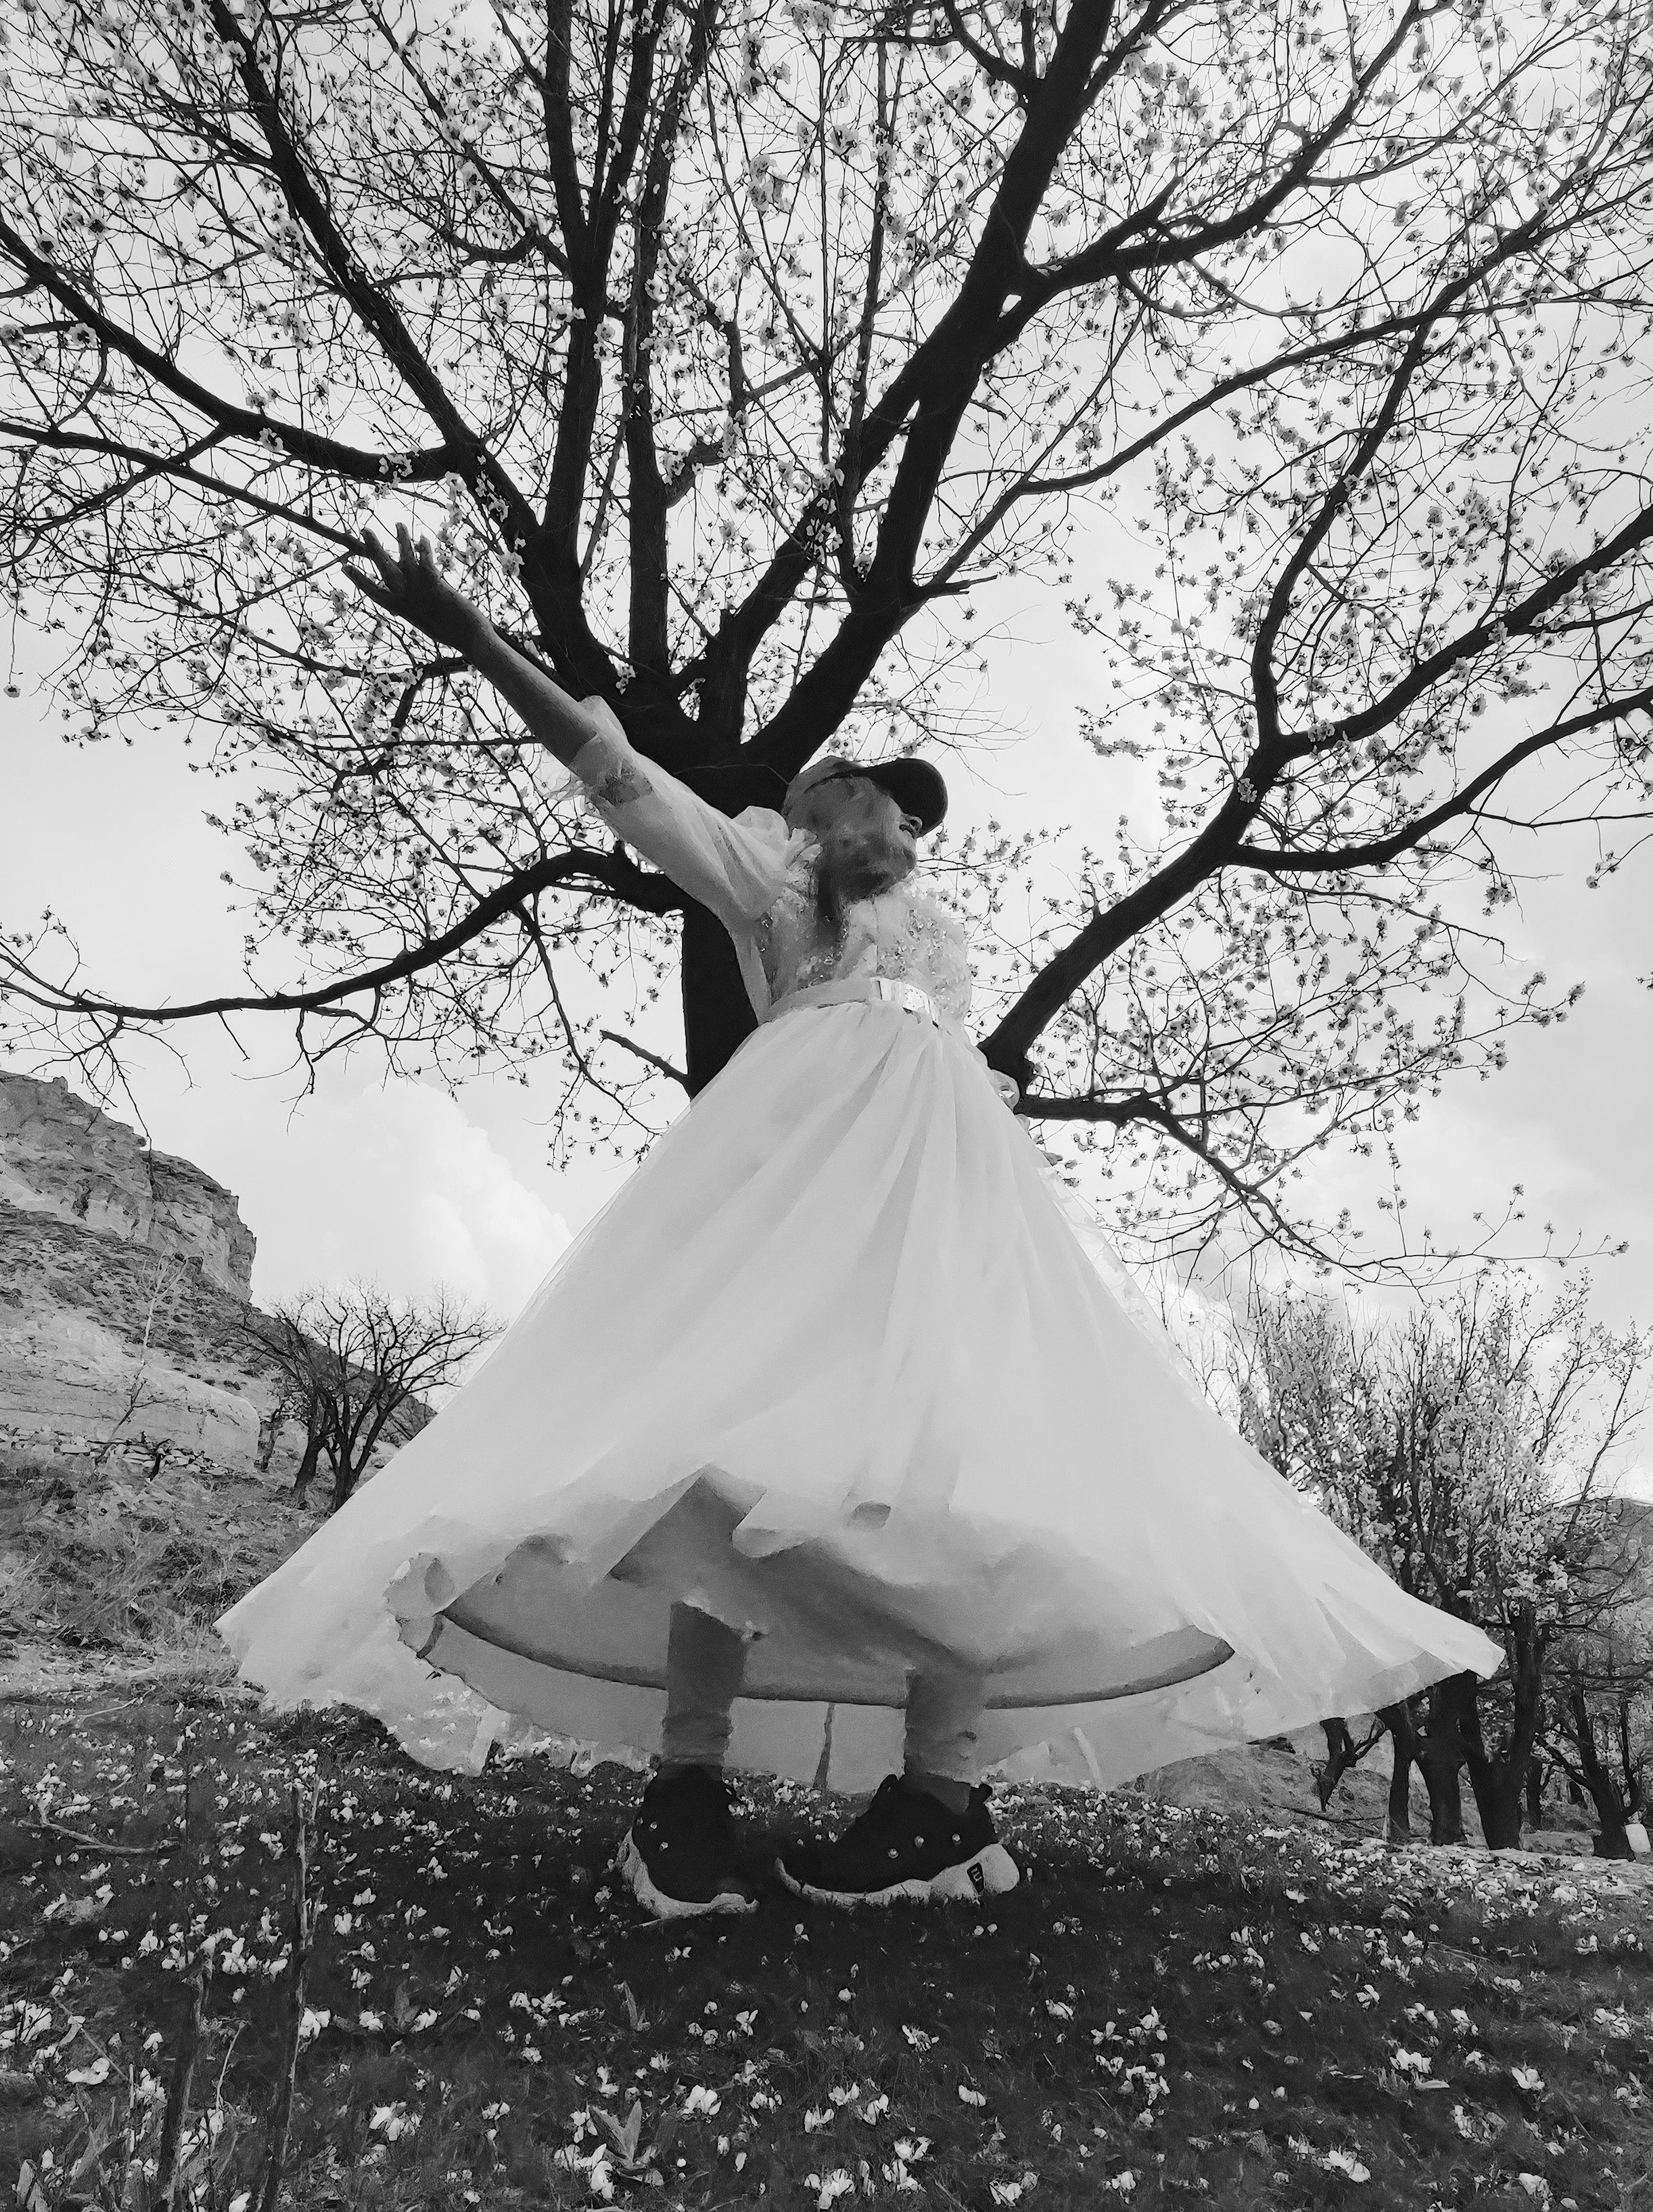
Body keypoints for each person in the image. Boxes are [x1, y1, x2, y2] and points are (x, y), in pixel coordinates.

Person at [218, 528, 1502, 1921]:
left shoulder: (937, 953)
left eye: (901, 808)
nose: (889, 817)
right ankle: (686, 1789)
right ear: (808, 826)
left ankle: (940, 1803)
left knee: (960, 1486)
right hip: (796, 1210)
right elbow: (622, 779)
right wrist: (471, 630)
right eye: (858, 799)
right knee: (728, 1459)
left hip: (944, 1225)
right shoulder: (773, 894)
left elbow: (948, 1074)